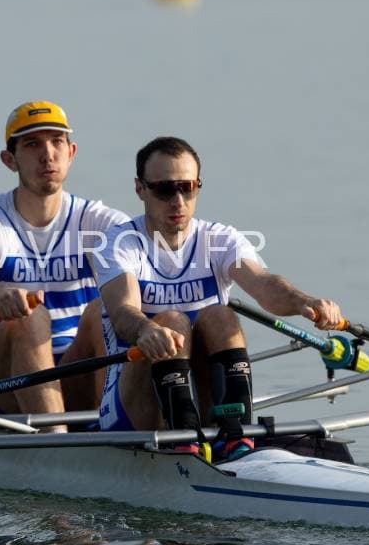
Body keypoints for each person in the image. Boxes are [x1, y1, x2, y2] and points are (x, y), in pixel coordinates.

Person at [96, 136, 344, 459]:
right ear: (140, 189)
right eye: (165, 189)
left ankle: (236, 437)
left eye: (187, 188)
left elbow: (265, 285)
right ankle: (184, 442)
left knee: (220, 316)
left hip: (202, 404)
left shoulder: (220, 239)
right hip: (130, 413)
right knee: (171, 322)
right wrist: (146, 329)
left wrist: (303, 302)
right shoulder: (119, 243)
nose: (178, 201)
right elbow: (123, 311)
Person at [0, 100, 129, 429]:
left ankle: (118, 428)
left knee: (102, 311)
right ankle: (57, 440)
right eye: (32, 144)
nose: (47, 154)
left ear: (71, 152)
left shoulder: (103, 222)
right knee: (30, 316)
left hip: (77, 374)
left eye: (56, 141)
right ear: (9, 160)